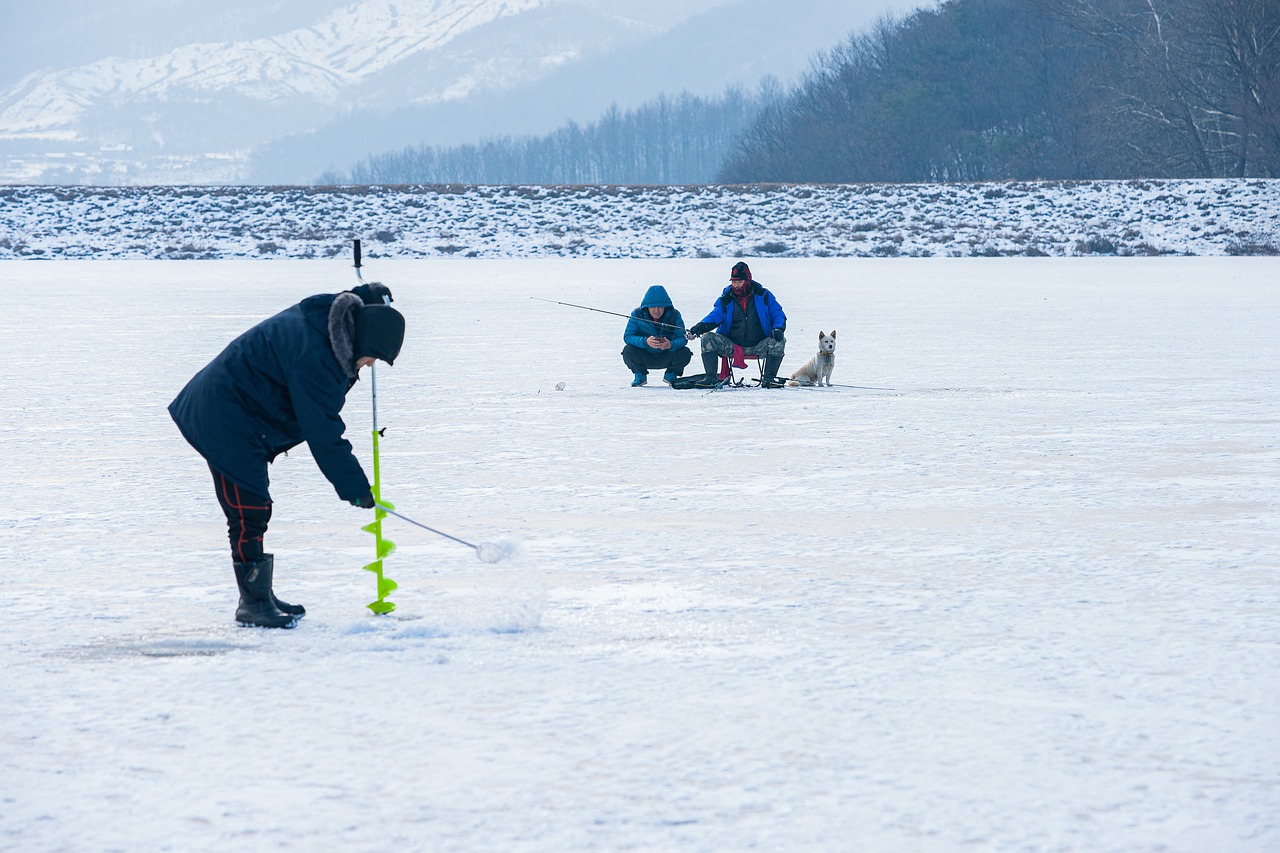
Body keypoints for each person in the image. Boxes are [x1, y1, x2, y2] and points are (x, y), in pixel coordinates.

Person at [169, 283, 405, 629]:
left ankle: (260, 595)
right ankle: (253, 603)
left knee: (253, 509)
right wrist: (355, 488)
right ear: (363, 341)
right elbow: (322, 430)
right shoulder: (316, 356)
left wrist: (368, 294)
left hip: (243, 411)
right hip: (224, 415)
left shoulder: (330, 322)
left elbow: (355, 307)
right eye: (373, 357)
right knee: (249, 510)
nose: (369, 366)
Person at [687, 261, 787, 387]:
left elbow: (778, 314)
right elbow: (714, 316)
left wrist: (778, 328)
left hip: (759, 345)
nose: (736, 285)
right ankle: (711, 378)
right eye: (734, 282)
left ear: (748, 281)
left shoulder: (764, 295)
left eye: (739, 282)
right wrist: (700, 327)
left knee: (779, 340)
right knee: (707, 338)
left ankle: (769, 379)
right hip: (732, 346)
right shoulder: (726, 299)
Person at [621, 284, 692, 386]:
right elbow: (628, 337)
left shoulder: (675, 315)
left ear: (666, 306)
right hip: (645, 354)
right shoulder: (637, 314)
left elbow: (682, 338)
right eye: (653, 306)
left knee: (685, 352)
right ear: (647, 306)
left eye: (660, 306)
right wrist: (645, 341)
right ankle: (640, 375)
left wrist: (670, 345)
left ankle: (671, 374)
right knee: (628, 350)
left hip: (667, 354)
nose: (656, 310)